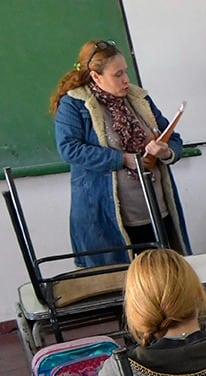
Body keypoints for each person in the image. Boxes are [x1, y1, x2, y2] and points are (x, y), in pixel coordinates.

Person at [51, 39, 188, 268]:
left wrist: (165, 151)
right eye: (117, 74)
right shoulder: (74, 104)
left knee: (166, 279)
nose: (125, 79)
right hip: (109, 217)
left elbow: (173, 137)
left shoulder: (138, 98)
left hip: (156, 210)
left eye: (126, 72)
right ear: (96, 76)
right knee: (121, 285)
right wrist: (122, 159)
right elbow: (69, 149)